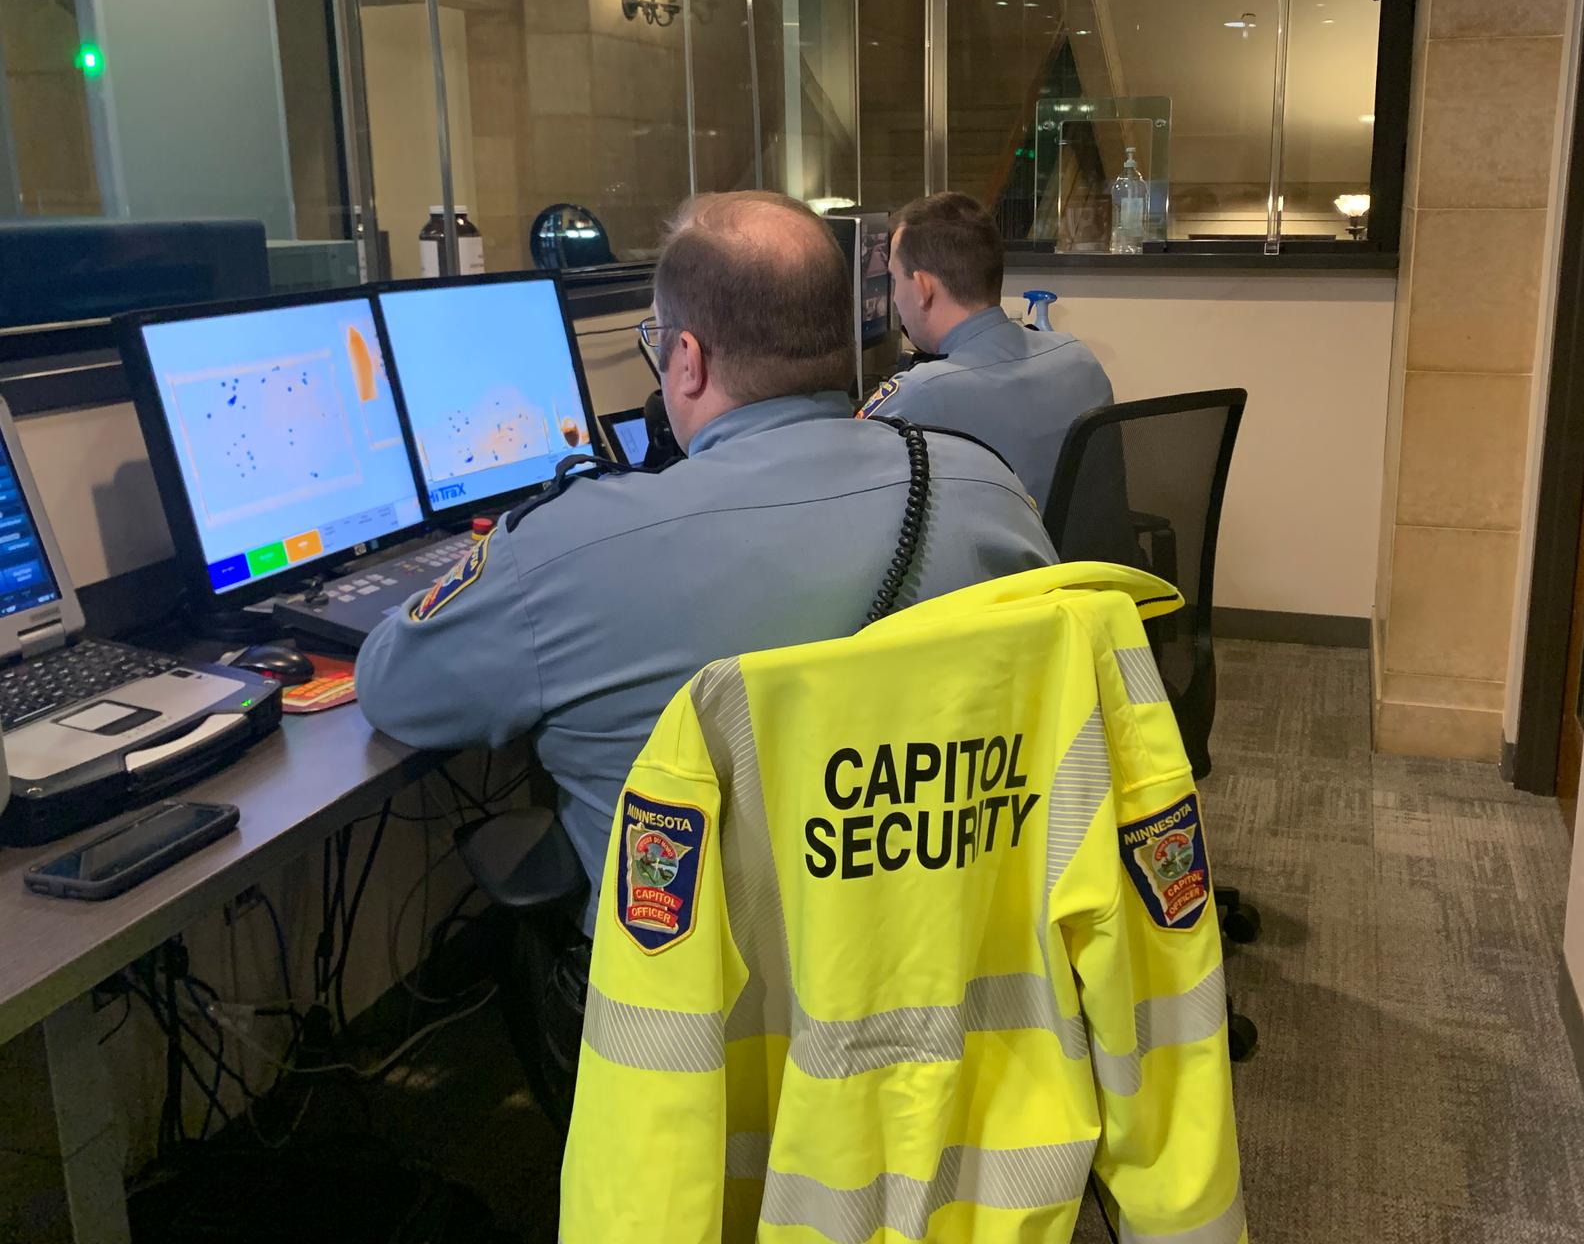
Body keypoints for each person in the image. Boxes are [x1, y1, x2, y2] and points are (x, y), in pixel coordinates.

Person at [355, 190, 1058, 921]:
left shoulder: (566, 549)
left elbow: (391, 685)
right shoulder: (989, 491)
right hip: (954, 969)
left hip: (692, 1020)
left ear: (685, 360)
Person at [860, 191, 1115, 512]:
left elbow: (849, 485)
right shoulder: (1080, 358)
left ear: (924, 288)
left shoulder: (918, 395)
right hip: (1091, 562)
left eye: (895, 280)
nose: (895, 299)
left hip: (1003, 564)